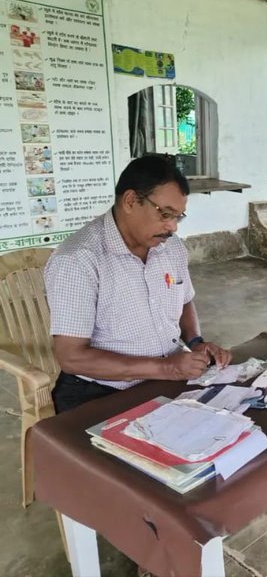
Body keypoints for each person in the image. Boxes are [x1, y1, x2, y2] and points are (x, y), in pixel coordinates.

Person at [44, 153, 231, 414]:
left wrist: (197, 341)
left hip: (163, 378)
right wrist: (167, 368)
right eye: (165, 214)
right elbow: (72, 357)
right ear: (131, 201)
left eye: (178, 217)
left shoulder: (171, 248)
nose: (173, 227)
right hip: (100, 391)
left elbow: (184, 298)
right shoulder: (78, 260)